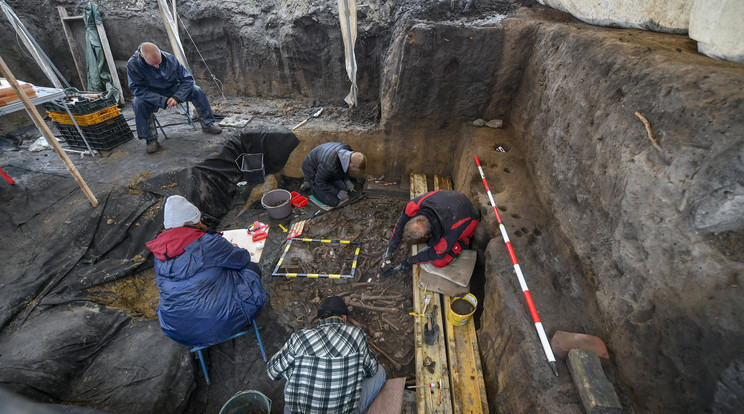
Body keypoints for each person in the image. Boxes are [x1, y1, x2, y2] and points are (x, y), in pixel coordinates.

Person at [145, 195, 266, 347]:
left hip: (176, 330)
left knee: (207, 277)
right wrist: (231, 250)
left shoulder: (160, 251)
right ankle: (239, 317)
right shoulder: (207, 242)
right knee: (251, 268)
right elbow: (242, 259)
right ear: (193, 221)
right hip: (216, 324)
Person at [267, 296, 386, 414]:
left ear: (320, 319)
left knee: (290, 375)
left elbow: (272, 372)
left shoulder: (300, 337)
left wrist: (295, 371)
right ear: (344, 318)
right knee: (380, 371)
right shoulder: (357, 335)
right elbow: (372, 370)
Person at [127, 42, 222, 154]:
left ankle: (207, 124)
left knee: (196, 90)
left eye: (159, 63)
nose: (157, 66)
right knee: (138, 103)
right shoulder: (133, 64)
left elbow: (187, 80)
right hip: (152, 94)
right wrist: (162, 100)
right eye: (154, 65)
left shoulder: (169, 58)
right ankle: (150, 139)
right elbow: (137, 89)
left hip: (173, 89)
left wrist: (177, 96)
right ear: (142, 56)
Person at [382, 189, 480, 270]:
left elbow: (435, 254)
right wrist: (391, 247)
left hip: (470, 216)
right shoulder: (413, 206)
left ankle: (461, 243)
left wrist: (410, 261)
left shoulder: (447, 235)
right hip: (453, 196)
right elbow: (400, 224)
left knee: (439, 262)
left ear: (429, 236)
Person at [300, 142, 366, 207]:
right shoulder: (329, 166)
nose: (357, 171)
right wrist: (337, 192)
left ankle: (323, 182)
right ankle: (310, 184)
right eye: (357, 169)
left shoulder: (349, 151)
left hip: (324, 169)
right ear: (351, 165)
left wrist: (346, 180)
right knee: (333, 201)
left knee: (344, 191)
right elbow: (320, 181)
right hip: (311, 170)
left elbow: (344, 166)